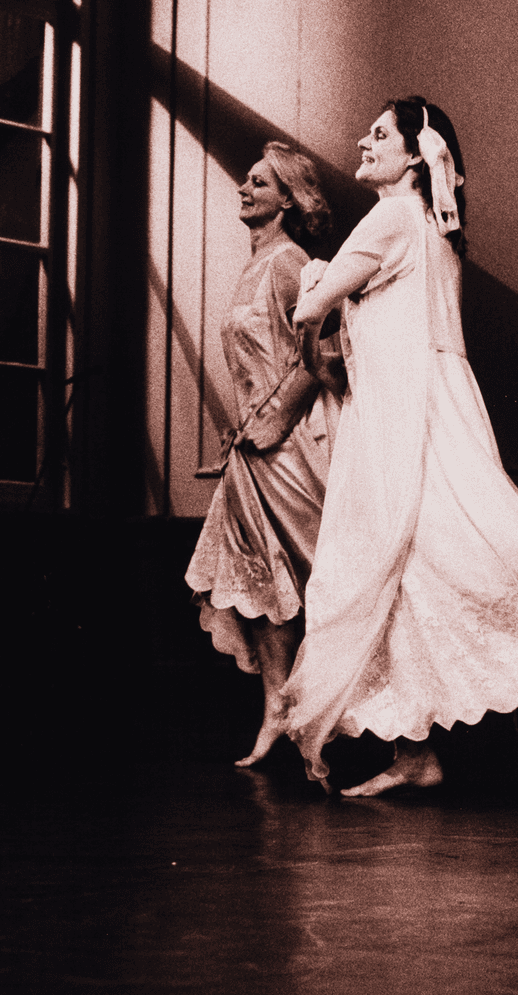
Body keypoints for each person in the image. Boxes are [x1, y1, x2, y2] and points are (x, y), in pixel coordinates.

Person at [285, 98, 518, 795]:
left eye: (380, 134)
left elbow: (308, 308)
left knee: (435, 554)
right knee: (412, 572)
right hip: (428, 399)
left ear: (416, 155)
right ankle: (417, 752)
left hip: (404, 412)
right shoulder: (436, 224)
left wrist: (311, 279)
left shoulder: (392, 216)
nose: (363, 140)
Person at [185, 142, 344, 768]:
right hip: (251, 450)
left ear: (289, 199)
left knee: (320, 570)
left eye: (259, 184)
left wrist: (277, 418)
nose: (244, 190)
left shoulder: (291, 263)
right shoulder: (254, 265)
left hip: (293, 447)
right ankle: (277, 708)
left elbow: (326, 354)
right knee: (261, 578)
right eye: (245, 181)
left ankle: (369, 721)